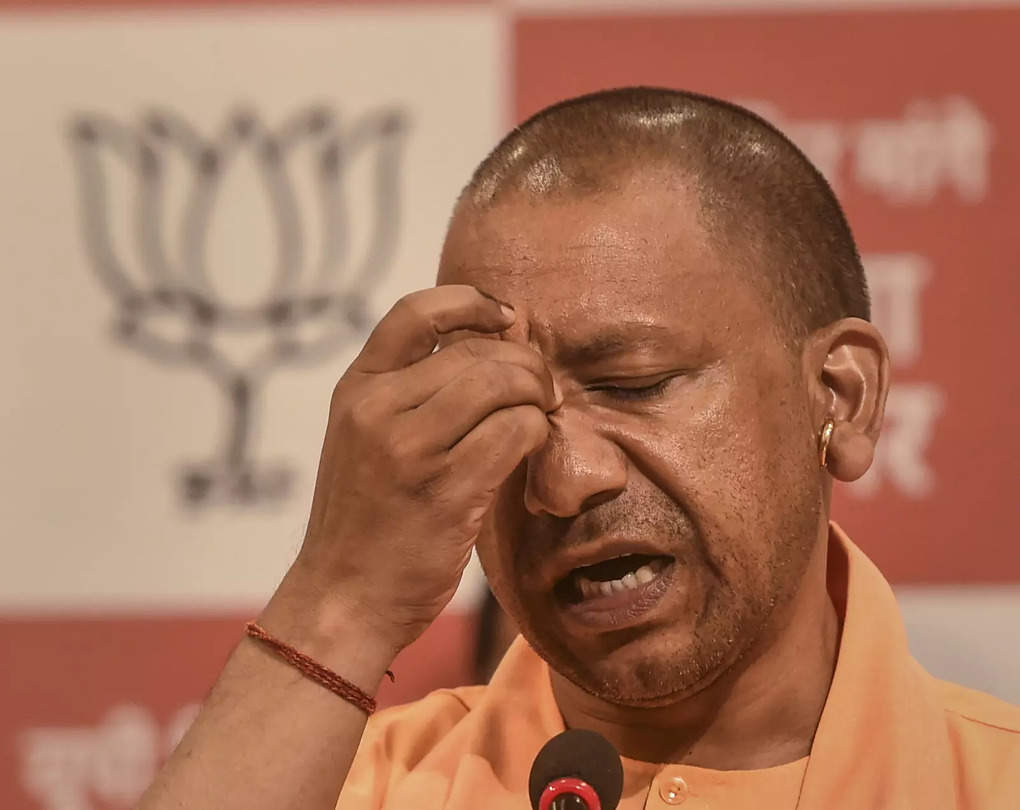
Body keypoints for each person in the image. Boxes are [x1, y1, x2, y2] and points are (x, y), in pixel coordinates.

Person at [136, 88, 1020, 810]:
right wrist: (339, 604)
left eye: (632, 384)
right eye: (496, 408)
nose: (563, 480)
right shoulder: (356, 789)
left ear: (842, 397)